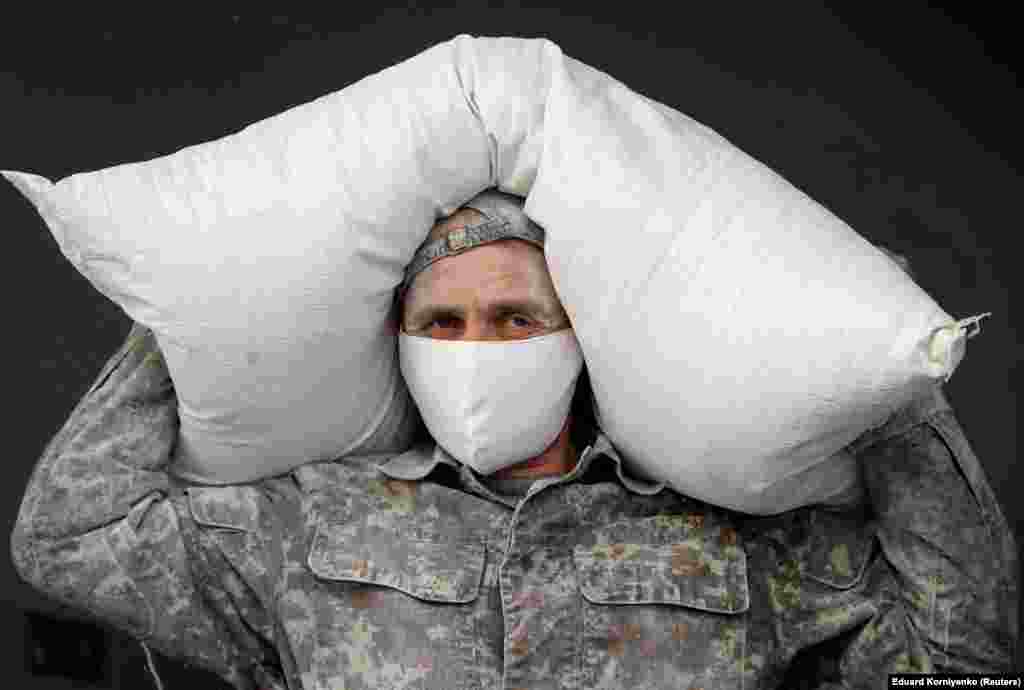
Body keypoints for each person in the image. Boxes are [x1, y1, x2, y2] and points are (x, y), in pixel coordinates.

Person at [11, 189, 1018, 690]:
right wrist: (196, 314)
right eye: (440, 325)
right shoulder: (302, 517)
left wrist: (885, 364)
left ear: (577, 342)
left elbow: (961, 650)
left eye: (515, 321)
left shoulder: (729, 527)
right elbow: (68, 536)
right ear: (397, 345)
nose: (476, 349)